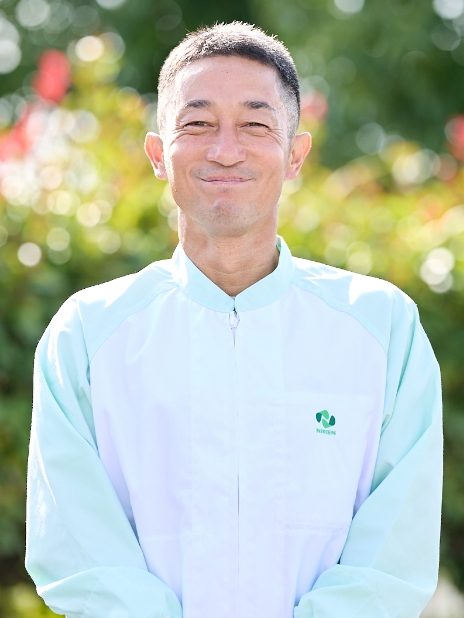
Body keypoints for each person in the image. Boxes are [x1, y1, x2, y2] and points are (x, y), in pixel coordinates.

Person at [26, 21, 442, 618]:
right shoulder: (86, 336)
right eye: (197, 124)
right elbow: (80, 551)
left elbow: (393, 556)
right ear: (158, 155)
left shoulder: (383, 329)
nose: (226, 149)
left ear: (295, 154)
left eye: (255, 124)